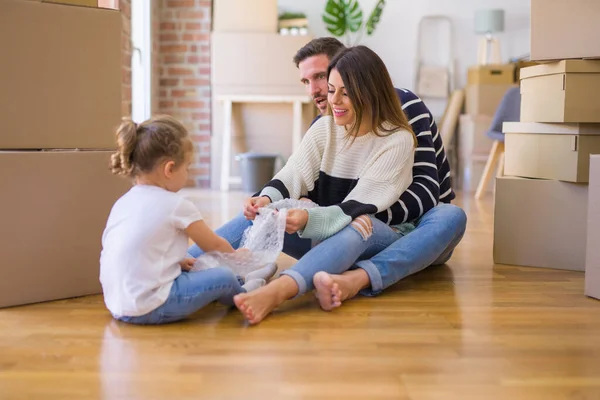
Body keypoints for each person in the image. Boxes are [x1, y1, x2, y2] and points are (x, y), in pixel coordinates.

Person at [232, 45, 417, 324]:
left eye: (346, 92)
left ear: (370, 92)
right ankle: (188, 264)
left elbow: (358, 205)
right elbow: (293, 173)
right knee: (263, 214)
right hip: (328, 232)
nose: (335, 101)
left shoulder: (397, 140)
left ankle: (276, 292)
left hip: (378, 235)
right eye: (332, 90)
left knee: (359, 224)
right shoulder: (324, 128)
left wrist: (309, 216)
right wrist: (266, 199)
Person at [99, 115, 269, 325]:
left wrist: (178, 261)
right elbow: (213, 244)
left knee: (192, 261)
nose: (188, 174)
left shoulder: (123, 202)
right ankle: (244, 290)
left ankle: (236, 279)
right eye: (187, 167)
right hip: (152, 306)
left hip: (118, 303)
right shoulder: (176, 204)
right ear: (169, 169)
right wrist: (236, 256)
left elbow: (140, 248)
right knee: (223, 276)